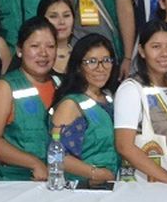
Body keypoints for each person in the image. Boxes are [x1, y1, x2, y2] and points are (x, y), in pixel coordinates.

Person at [0, 18, 107, 182]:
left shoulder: (62, 85)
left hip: (59, 184)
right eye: (35, 46)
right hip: (13, 184)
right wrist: (33, 163)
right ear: (19, 50)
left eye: (50, 46)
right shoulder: (4, 87)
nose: (43, 53)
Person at [113, 21, 167, 184]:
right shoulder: (131, 89)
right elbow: (124, 146)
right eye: (156, 47)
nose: (165, 54)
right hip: (143, 187)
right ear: (141, 51)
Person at [49, 34, 122, 185]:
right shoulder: (71, 104)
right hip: (82, 190)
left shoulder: (110, 98)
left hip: (113, 186)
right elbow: (58, 154)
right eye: (92, 62)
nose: (101, 68)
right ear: (78, 67)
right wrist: (96, 173)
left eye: (106, 60)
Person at [36, 0, 77, 78]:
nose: (61, 22)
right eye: (53, 16)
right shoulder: (32, 55)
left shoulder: (83, 54)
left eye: (66, 15)